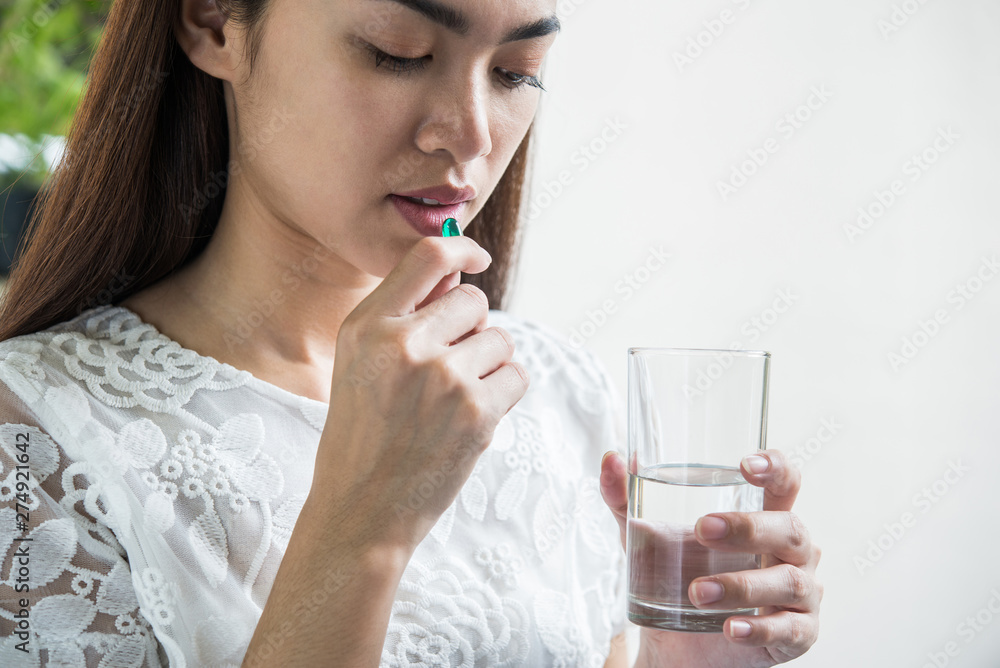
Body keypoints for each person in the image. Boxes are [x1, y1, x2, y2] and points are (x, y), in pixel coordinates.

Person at [0, 0, 822, 665]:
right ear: (215, 22)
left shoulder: (560, 394)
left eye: (515, 72)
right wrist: (362, 532)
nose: (470, 134)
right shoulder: (36, 441)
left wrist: (693, 656)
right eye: (398, 52)